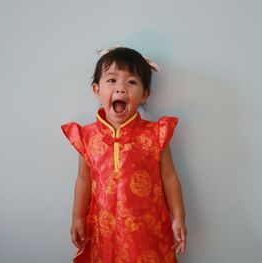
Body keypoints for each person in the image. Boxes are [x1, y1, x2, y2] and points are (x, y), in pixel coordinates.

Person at [61, 46, 187, 263]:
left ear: (145, 94)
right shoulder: (87, 137)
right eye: (111, 80)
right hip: (104, 230)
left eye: (131, 82)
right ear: (96, 89)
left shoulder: (156, 134)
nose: (121, 89)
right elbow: (83, 179)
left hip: (146, 230)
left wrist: (179, 217)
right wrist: (77, 216)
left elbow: (169, 177)